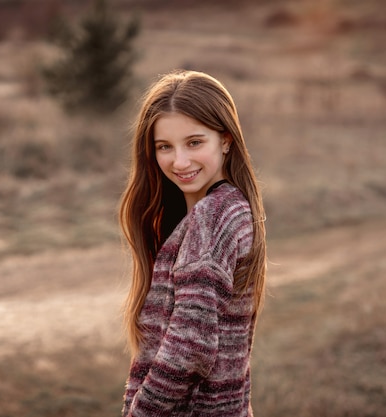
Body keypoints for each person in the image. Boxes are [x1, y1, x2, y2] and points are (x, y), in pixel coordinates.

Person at [118, 69, 267, 416]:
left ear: (226, 140)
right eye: (164, 147)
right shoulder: (229, 208)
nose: (180, 161)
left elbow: (192, 345)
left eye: (194, 142)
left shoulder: (213, 215)